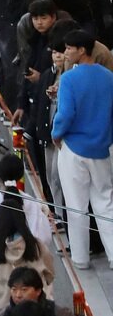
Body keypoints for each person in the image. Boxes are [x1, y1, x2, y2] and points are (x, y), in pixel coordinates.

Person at [49, 25, 113, 268]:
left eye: (69, 48)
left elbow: (65, 114)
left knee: (76, 205)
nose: (66, 52)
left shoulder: (69, 79)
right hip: (101, 148)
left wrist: (56, 133)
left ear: (82, 50)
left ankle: (81, 258)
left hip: (74, 148)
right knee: (105, 201)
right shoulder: (109, 77)